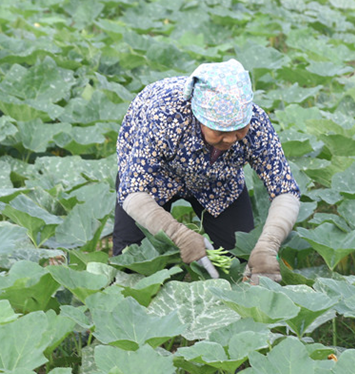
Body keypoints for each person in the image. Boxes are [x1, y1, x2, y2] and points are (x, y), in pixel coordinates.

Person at [112, 58, 301, 283]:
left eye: (240, 128)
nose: (231, 138)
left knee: (237, 259)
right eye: (220, 130)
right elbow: (133, 192)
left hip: (218, 181)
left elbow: (285, 191)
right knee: (132, 265)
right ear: (199, 117)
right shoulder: (165, 117)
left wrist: (268, 245)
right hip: (155, 177)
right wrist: (178, 234)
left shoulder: (257, 124)